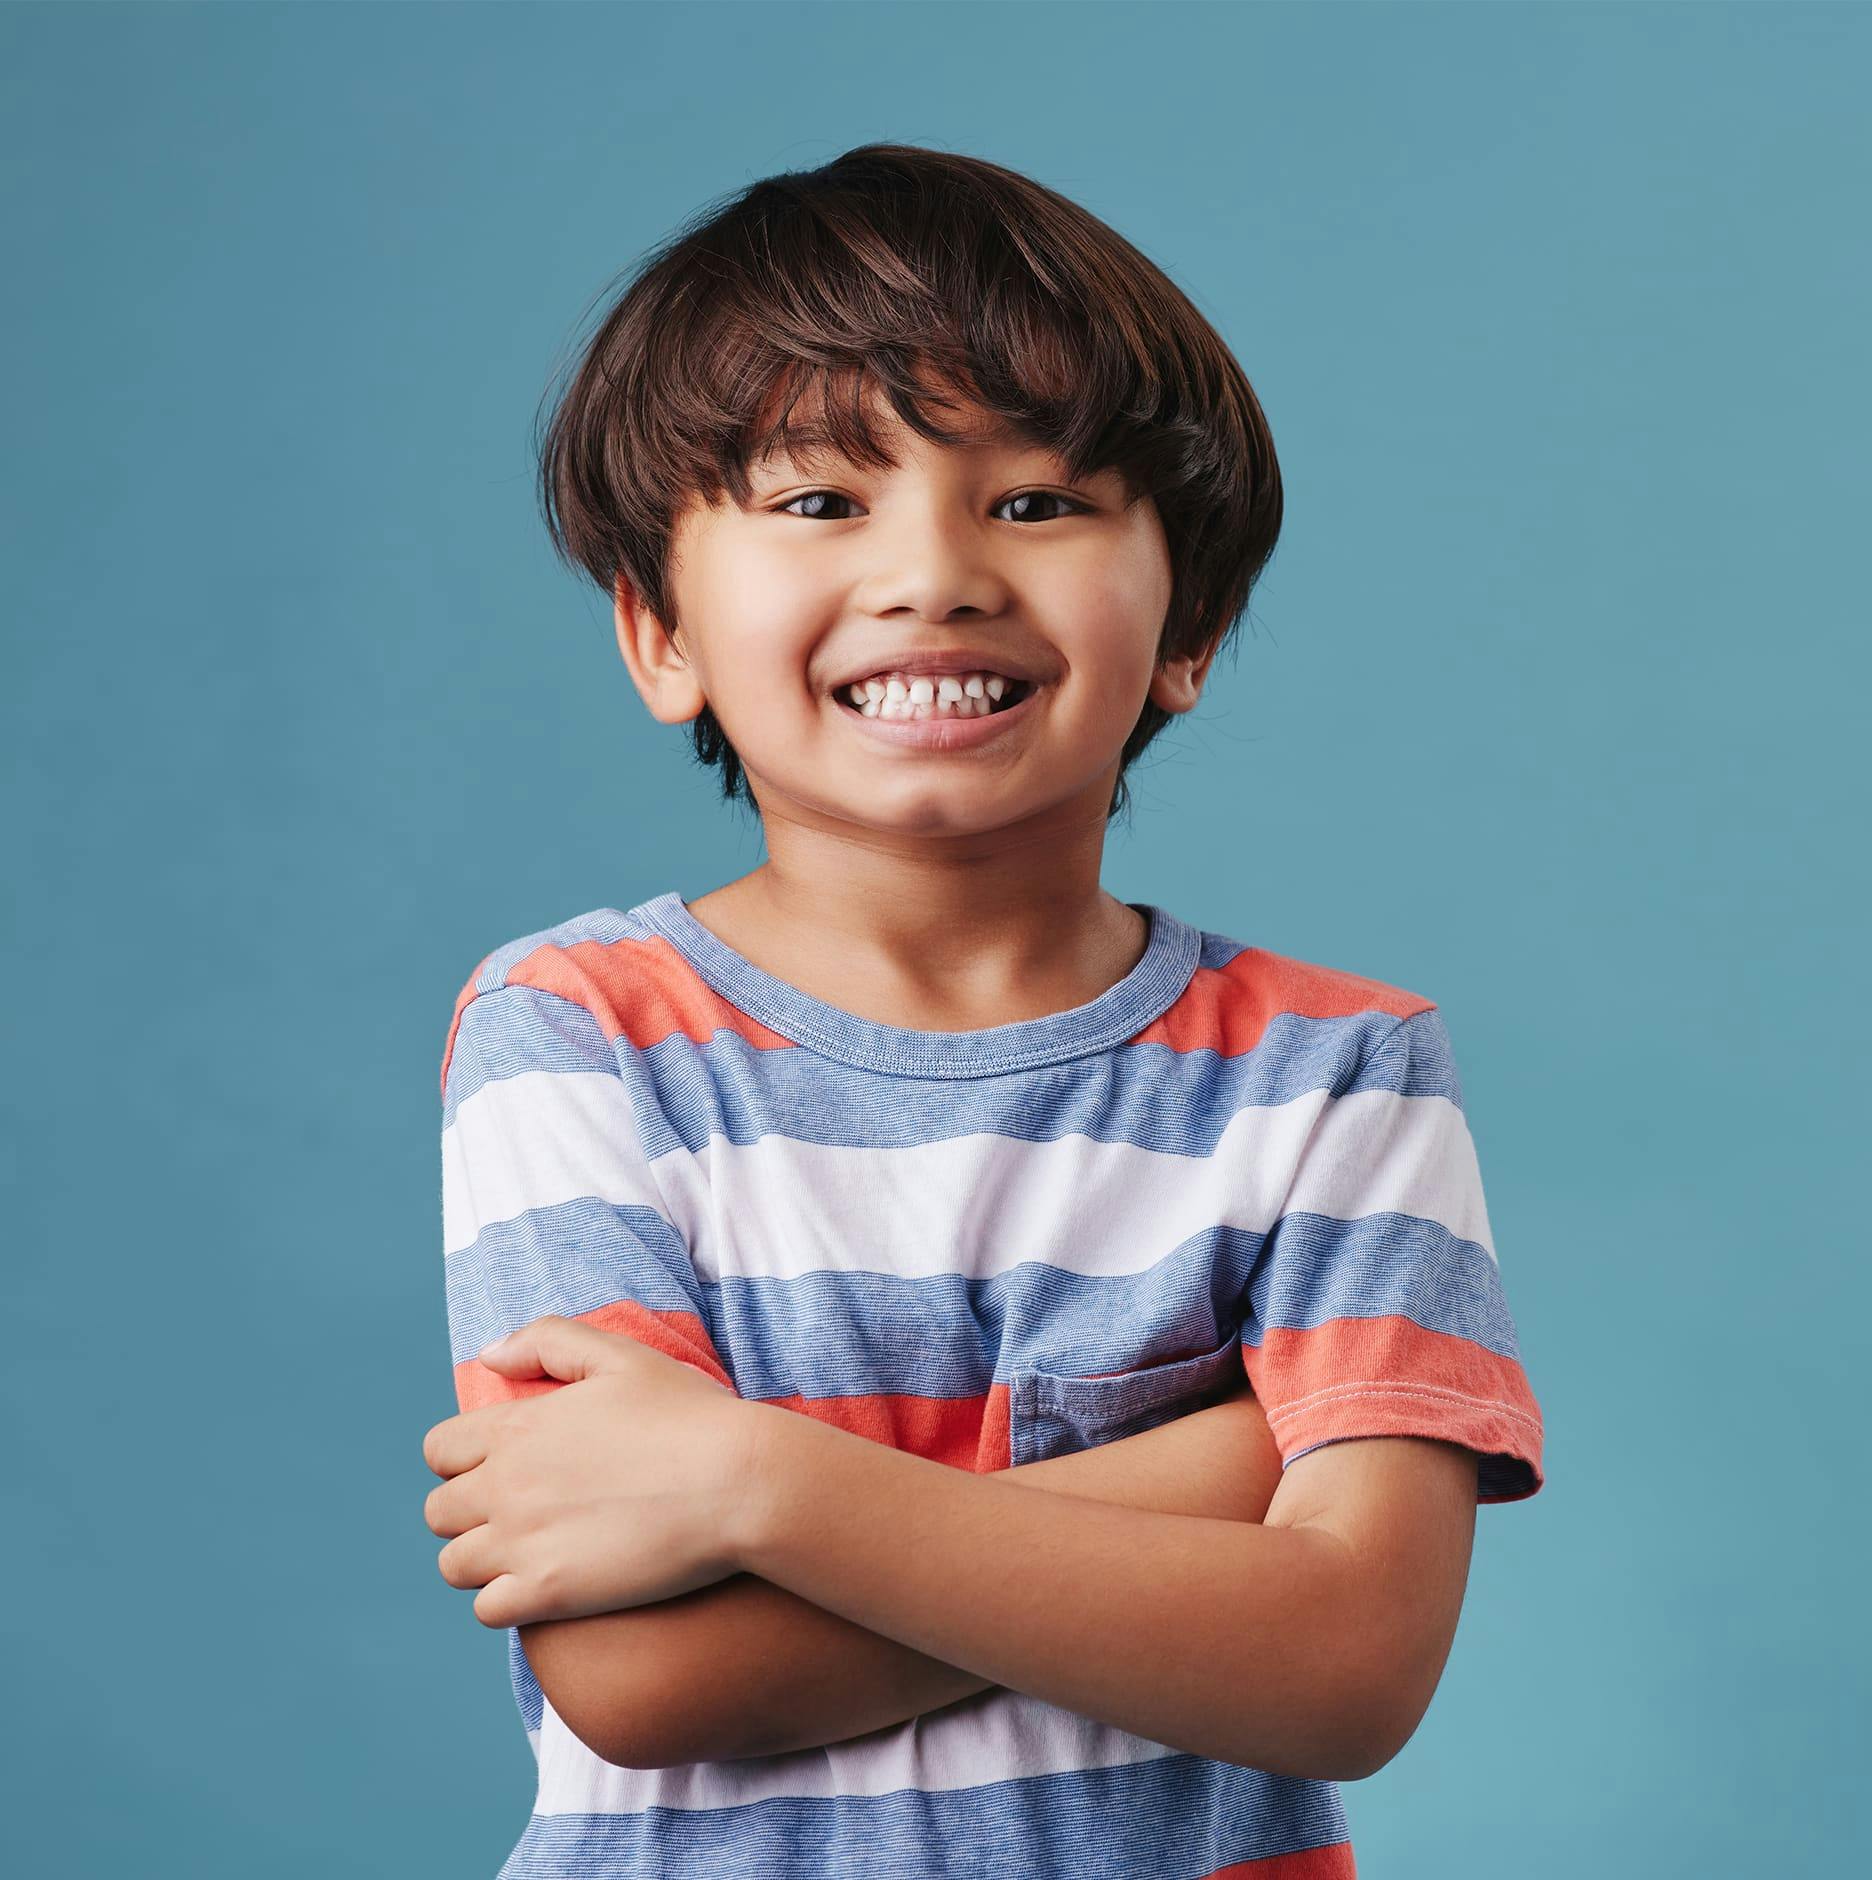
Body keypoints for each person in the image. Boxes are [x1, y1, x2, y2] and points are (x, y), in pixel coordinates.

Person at [422, 142, 1545, 1879]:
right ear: (660, 635)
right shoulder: (575, 1031)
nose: (933, 572)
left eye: (1034, 503)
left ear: (1191, 625)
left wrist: (755, 1484)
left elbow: (1348, 1667)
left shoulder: (1342, 1071)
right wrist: (1240, 1461)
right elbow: (644, 1676)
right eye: (819, 503)